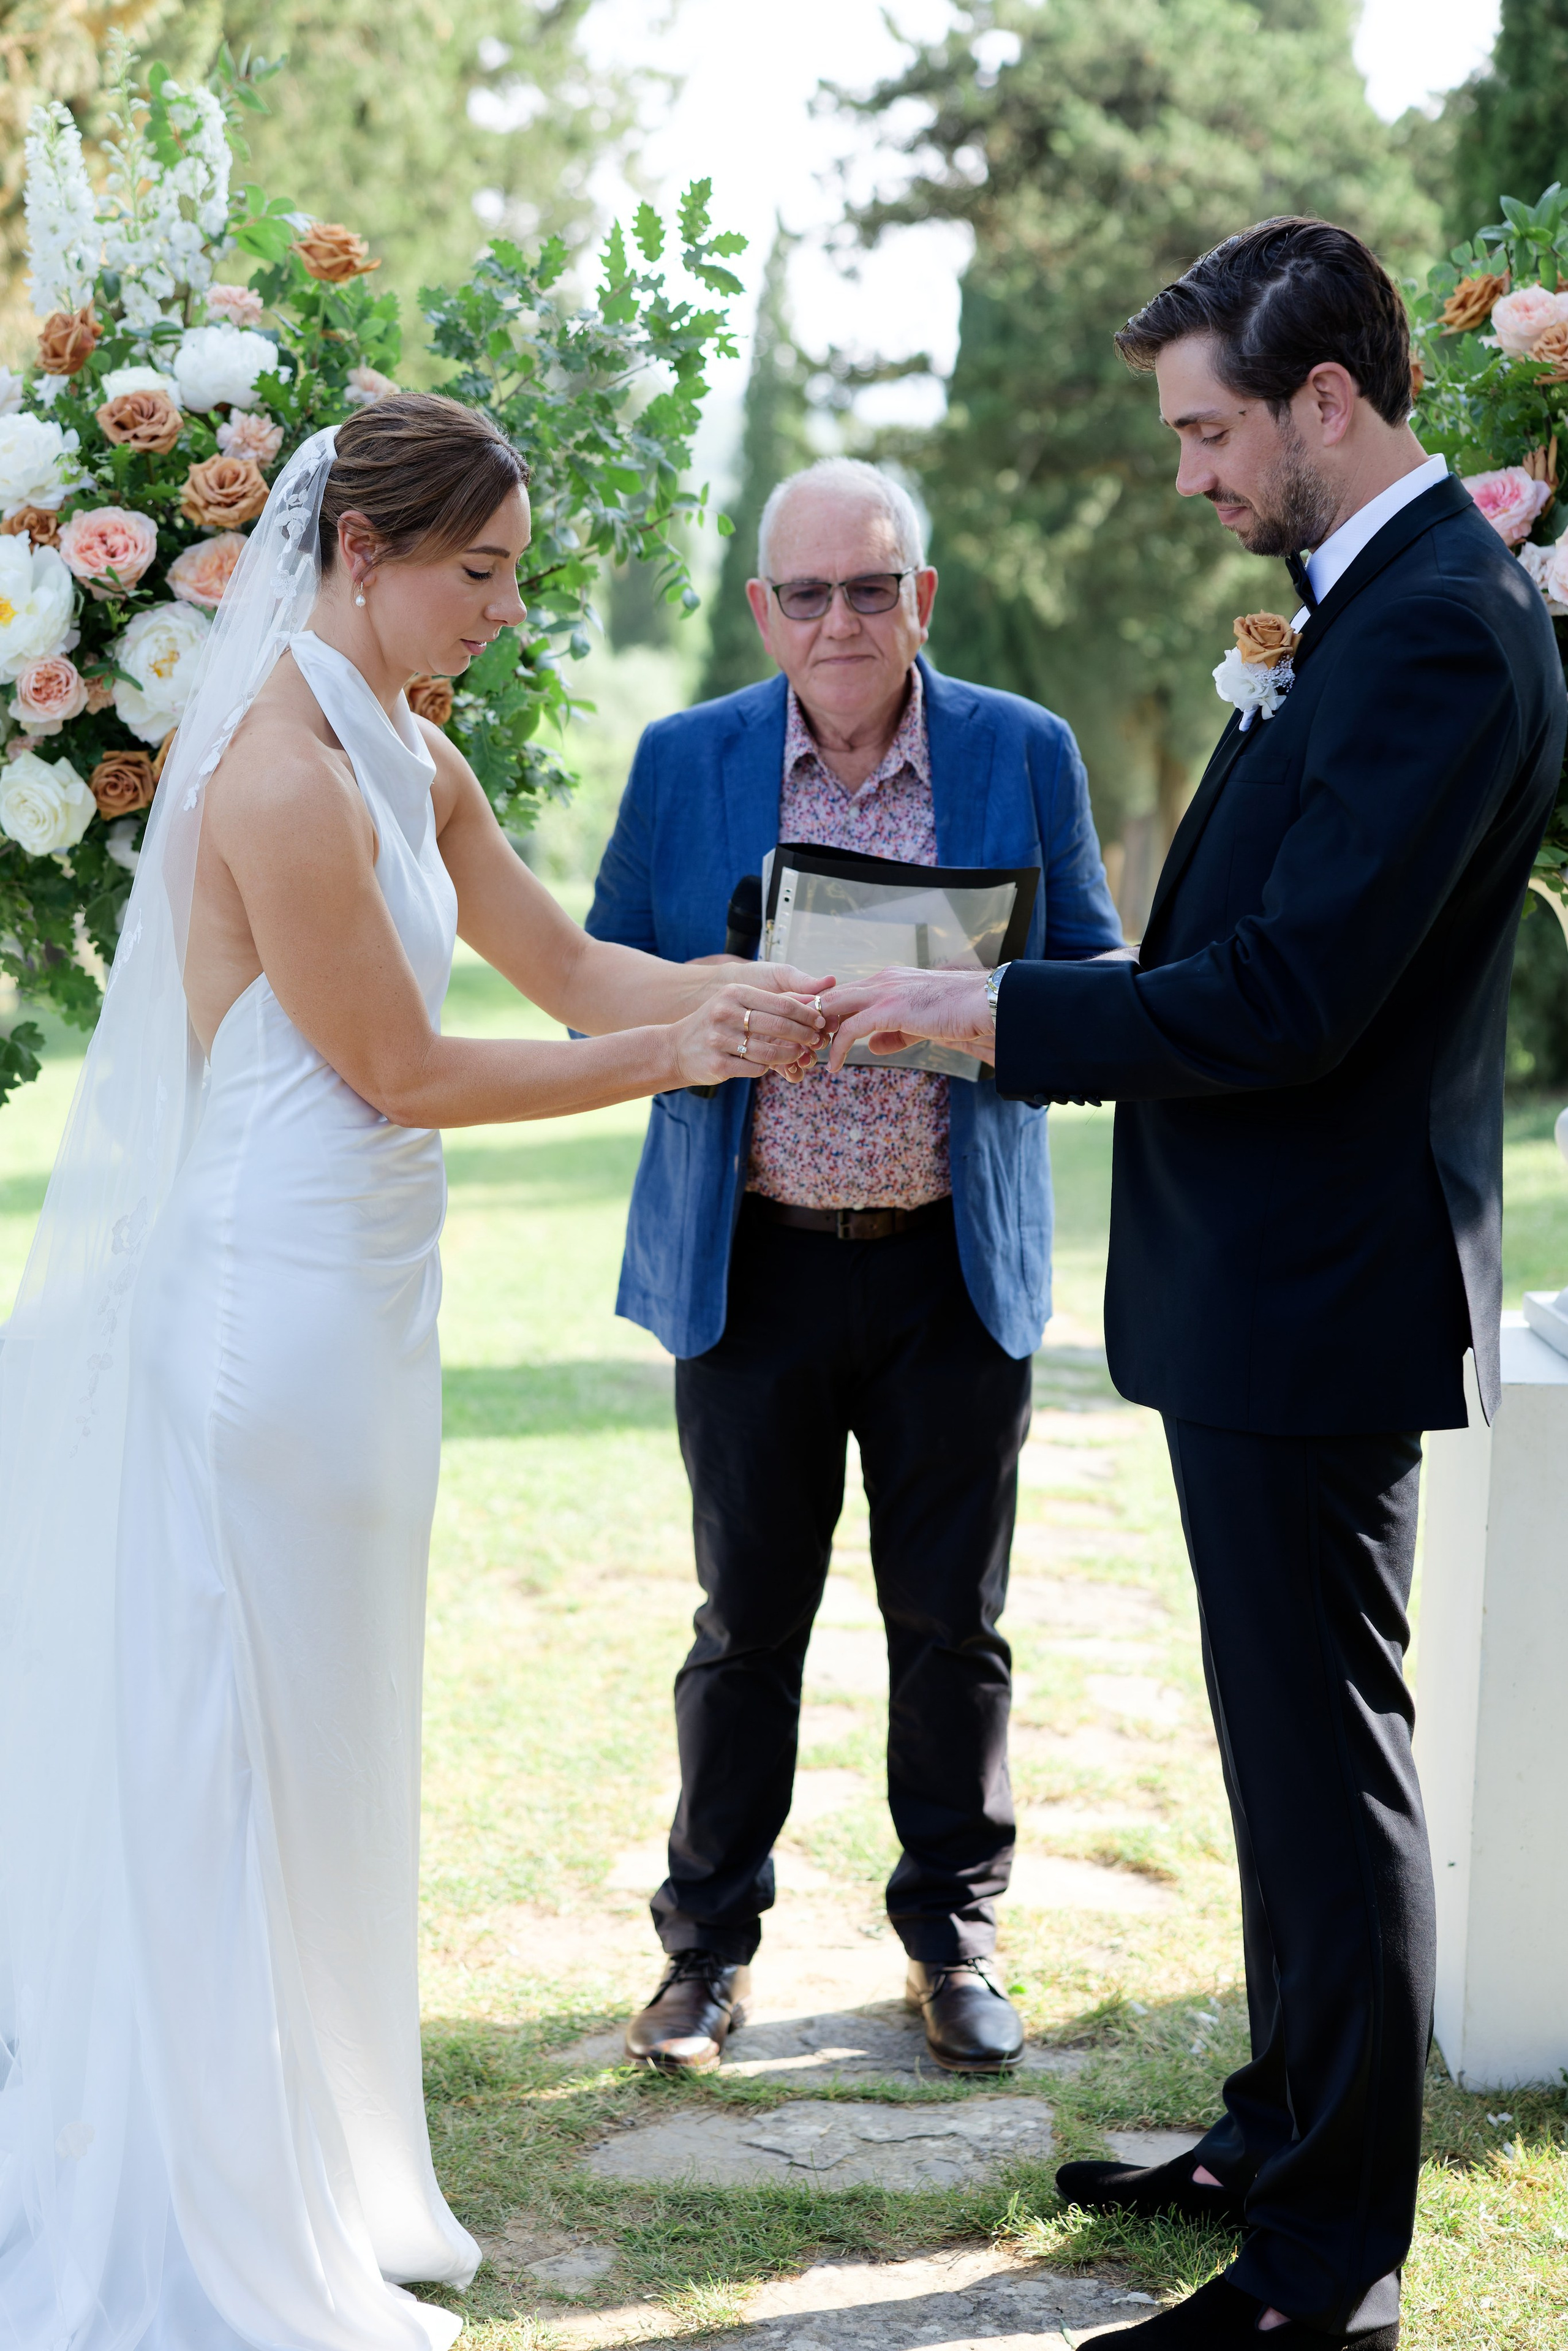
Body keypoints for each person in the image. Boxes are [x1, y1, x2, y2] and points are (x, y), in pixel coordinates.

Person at [0, 393, 829, 2351]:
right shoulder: (277, 775)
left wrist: (748, 998)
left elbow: (569, 972)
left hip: (371, 1307)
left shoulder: (412, 753)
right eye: (477, 574)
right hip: (264, 1303)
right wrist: (683, 1063)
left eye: (517, 577)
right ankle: (216, 2175)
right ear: (360, 555)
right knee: (248, 1728)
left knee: (344, 1720)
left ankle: (329, 2147)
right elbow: (407, 1073)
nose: (501, 611)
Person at [816, 221, 1567, 2349]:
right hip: (1271, 1278)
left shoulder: (1432, 630)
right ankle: (1274, 2123)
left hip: (1319, 1284)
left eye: (1209, 430)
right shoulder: (1372, 609)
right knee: (1276, 1753)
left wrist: (973, 1020)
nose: (1188, 477)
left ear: (1331, 399)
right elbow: (1240, 962)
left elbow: (1290, 1002)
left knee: (1330, 1772)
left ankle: (1331, 2264)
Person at [587, 456, 1124, 2077]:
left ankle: (953, 1943)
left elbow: (1097, 973)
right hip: (747, 1268)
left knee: (953, 1625)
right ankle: (704, 1956)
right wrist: (713, 1007)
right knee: (744, 1624)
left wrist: (978, 1011)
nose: (840, 620)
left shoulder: (1021, 753)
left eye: (870, 587)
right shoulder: (688, 761)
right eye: (807, 593)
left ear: (921, 598)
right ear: (763, 609)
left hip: (949, 1267)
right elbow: (592, 986)